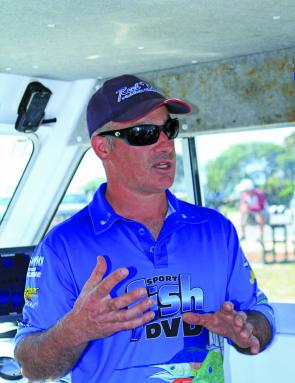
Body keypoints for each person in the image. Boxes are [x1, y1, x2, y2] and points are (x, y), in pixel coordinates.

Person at [14, 74, 275, 383]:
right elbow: (32, 367)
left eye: (169, 129)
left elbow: (261, 316)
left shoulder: (215, 231)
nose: (165, 143)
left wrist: (246, 329)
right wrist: (75, 329)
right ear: (102, 147)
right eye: (144, 133)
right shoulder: (62, 246)